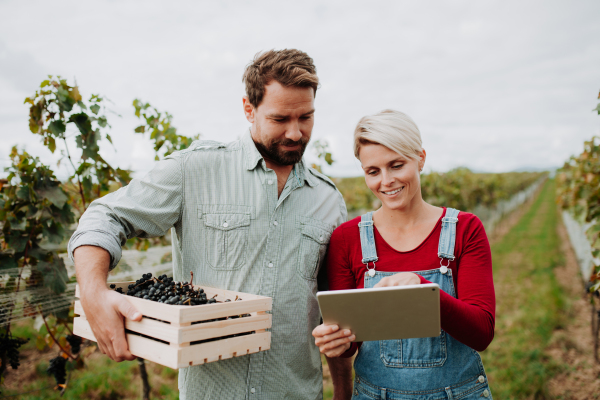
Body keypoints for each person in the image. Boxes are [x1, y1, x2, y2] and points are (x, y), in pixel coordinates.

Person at [69, 49, 347, 400]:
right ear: (249, 109)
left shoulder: (329, 200)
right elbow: (104, 216)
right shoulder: (194, 171)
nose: (295, 133)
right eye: (280, 119)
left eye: (305, 117)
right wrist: (94, 293)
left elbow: (337, 309)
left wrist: (344, 392)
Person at [312, 110, 496, 399]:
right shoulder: (347, 239)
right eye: (373, 172)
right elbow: (350, 343)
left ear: (420, 158)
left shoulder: (465, 229)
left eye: (396, 165)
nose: (386, 181)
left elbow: (481, 332)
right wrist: (336, 340)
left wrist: (423, 291)